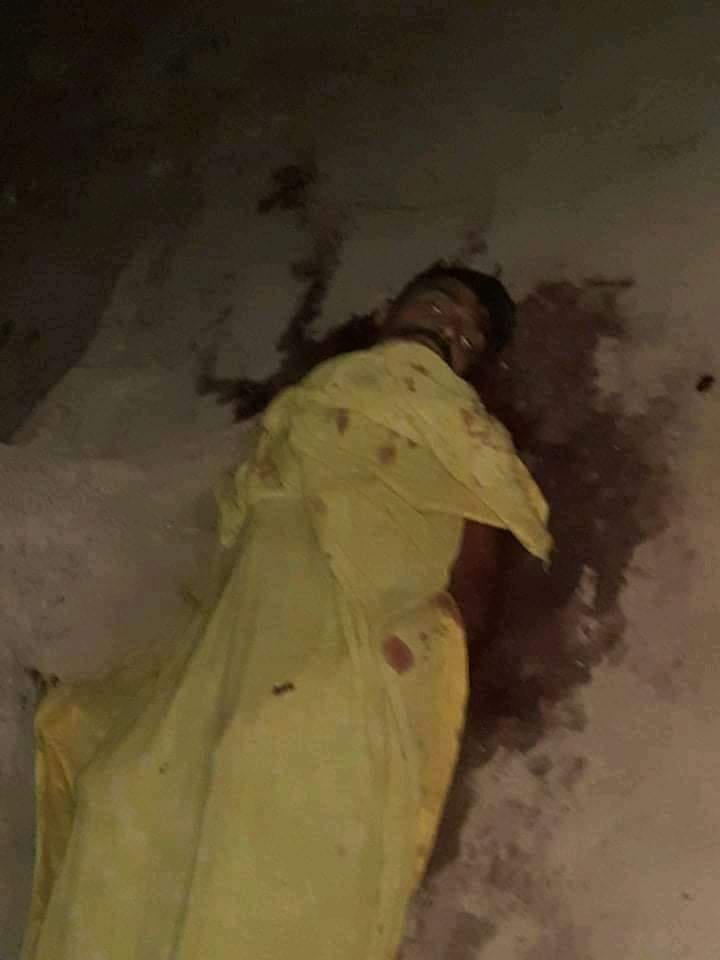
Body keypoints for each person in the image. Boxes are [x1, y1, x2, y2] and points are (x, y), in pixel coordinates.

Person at [22, 265, 550, 960]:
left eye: (470, 336)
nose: (452, 328)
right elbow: (232, 555)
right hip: (245, 633)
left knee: (259, 796)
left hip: (340, 637)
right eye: (439, 304)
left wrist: (427, 641)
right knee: (119, 792)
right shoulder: (302, 408)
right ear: (385, 309)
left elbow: (474, 566)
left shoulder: (458, 424)